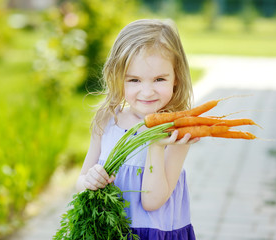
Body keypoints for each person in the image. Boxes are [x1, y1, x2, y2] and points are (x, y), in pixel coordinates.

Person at [76, 19, 199, 240]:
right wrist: (89, 181)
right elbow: (81, 180)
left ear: (176, 78)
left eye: (159, 79)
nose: (147, 91)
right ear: (117, 78)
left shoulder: (177, 132)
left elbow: (152, 202)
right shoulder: (107, 120)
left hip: (153, 234)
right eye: (134, 80)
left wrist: (155, 145)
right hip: (108, 232)